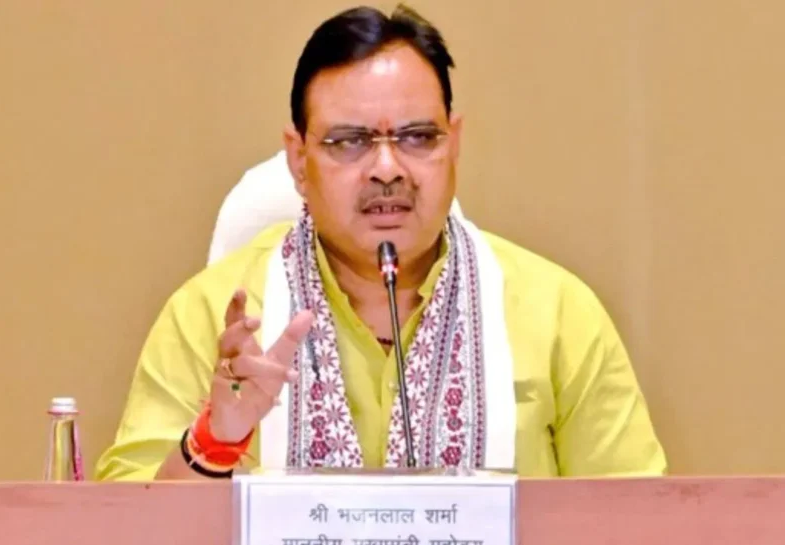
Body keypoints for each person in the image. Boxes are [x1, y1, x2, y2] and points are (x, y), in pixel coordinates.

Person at [95, 4, 667, 481]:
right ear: (299, 160)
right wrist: (215, 441)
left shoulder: (557, 313)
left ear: (454, 142)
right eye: (350, 142)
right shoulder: (210, 316)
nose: (388, 169)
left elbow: (641, 521)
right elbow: (121, 529)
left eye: (418, 137)